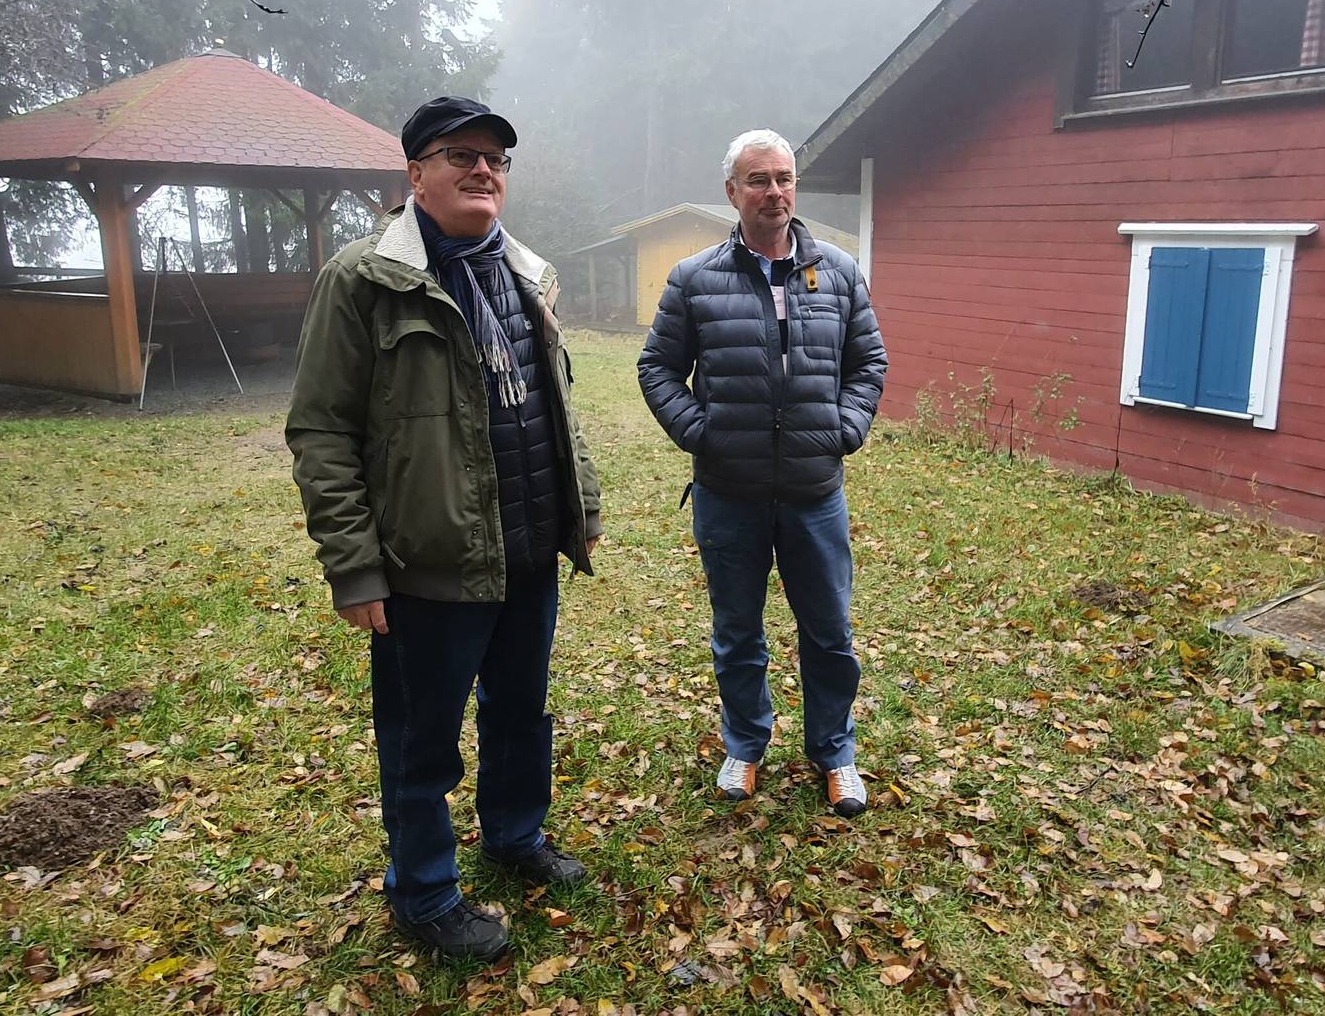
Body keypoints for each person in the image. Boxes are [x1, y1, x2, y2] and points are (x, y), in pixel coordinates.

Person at [286, 96, 602, 962]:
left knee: (519, 713)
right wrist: (354, 568)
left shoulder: (522, 273)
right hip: (429, 565)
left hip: (528, 550)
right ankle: (423, 893)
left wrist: (583, 509)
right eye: (458, 153)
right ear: (414, 174)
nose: (482, 169)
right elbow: (321, 431)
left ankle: (514, 834)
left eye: (496, 157)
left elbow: (555, 405)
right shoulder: (363, 280)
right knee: (421, 741)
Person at [637, 128, 887, 817]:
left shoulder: (837, 271)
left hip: (814, 493)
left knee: (829, 632)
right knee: (738, 630)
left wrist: (844, 428)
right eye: (758, 179)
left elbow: (869, 364)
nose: (773, 191)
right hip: (729, 494)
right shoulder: (694, 279)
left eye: (783, 177)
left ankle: (835, 751)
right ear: (732, 192)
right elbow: (657, 368)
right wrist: (700, 431)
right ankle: (745, 743)